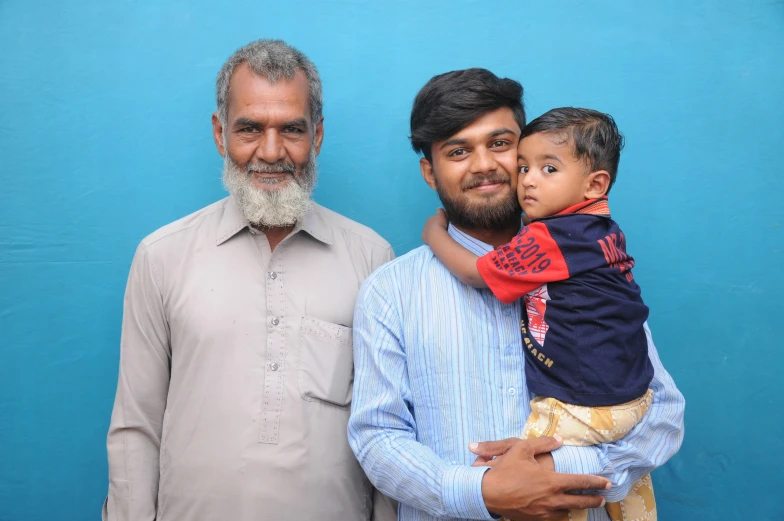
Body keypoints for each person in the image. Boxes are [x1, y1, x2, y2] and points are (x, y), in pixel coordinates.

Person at [348, 69, 685, 521]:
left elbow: (661, 409)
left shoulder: (590, 261)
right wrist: (483, 492)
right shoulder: (390, 292)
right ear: (430, 171)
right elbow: (378, 438)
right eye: (458, 151)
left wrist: (560, 472)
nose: (484, 164)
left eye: (501, 144)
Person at [102, 39, 396, 521]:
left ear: (317, 136)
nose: (271, 151)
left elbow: (387, 432)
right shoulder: (161, 256)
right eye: (250, 129)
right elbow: (136, 428)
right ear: (220, 134)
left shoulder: (372, 258)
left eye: (292, 130)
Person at [422, 107, 659, 521]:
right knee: (630, 489)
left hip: (585, 406)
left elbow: (475, 272)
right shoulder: (603, 230)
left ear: (594, 185)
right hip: (632, 398)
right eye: (524, 166)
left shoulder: (553, 238)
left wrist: (433, 234)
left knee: (527, 474)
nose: (528, 179)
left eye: (548, 169)